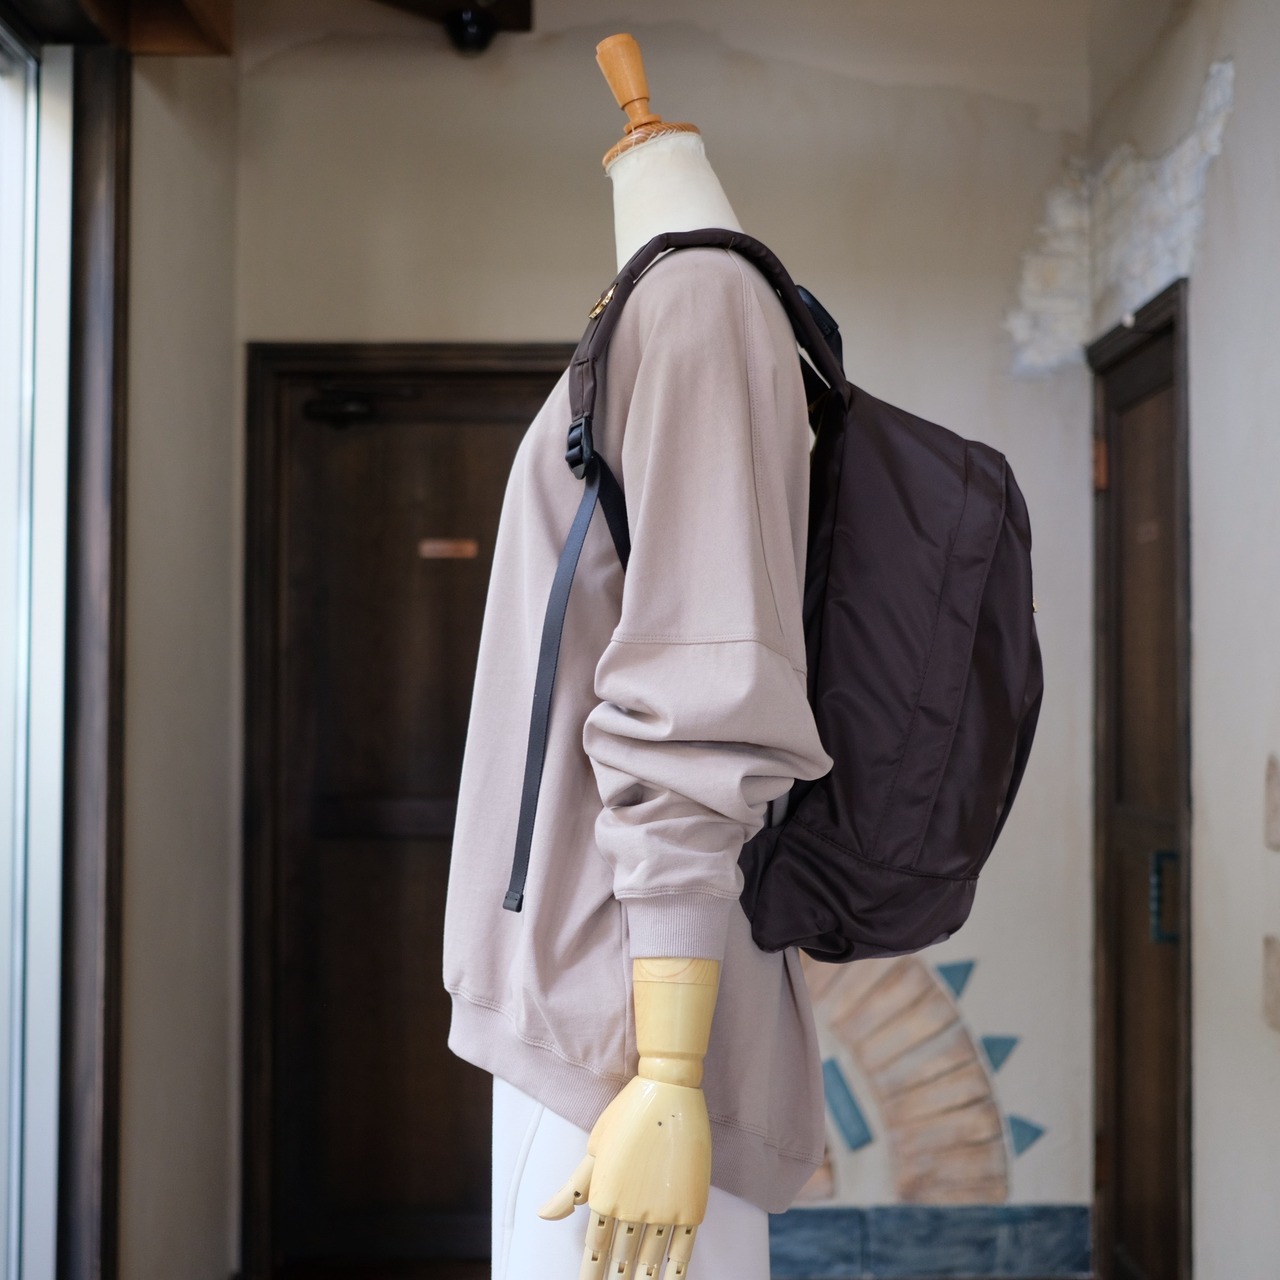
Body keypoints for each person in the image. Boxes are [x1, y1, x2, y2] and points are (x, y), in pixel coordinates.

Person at [442, 34, 831, 1280]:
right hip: (591, 1011)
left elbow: (698, 697)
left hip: (625, 1040)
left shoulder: (701, 303)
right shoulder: (664, 309)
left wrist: (666, 1071)